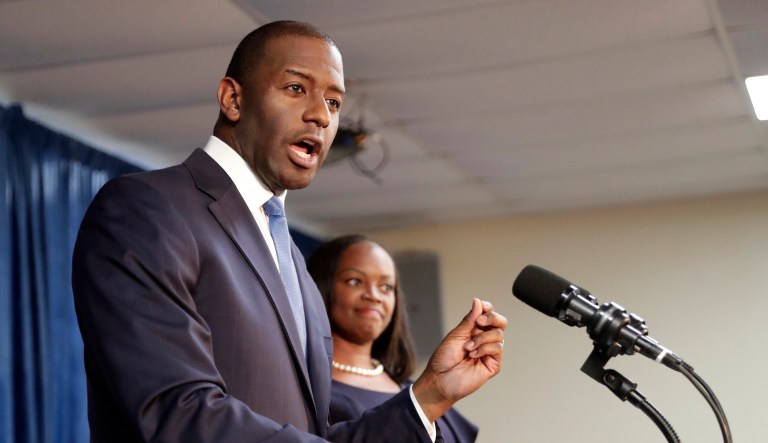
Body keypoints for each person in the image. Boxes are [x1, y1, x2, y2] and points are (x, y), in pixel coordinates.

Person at [72, 20, 506, 443]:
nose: (320, 115)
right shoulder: (149, 209)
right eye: (296, 88)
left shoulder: (291, 257)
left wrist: (429, 395)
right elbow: (177, 412)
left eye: (334, 103)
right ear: (232, 98)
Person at [307, 234, 479, 442]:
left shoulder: (412, 389)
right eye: (355, 281)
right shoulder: (310, 391)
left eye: (386, 287)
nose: (374, 295)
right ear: (318, 288)